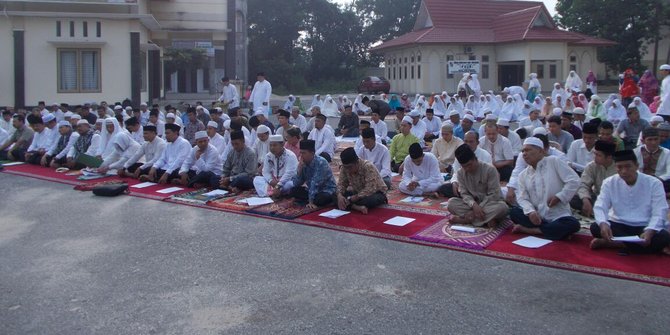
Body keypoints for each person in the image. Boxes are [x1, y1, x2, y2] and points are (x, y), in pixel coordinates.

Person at [591, 149, 670, 254]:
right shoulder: (609, 182)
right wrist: (603, 224)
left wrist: (650, 231)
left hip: (643, 226)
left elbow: (660, 211)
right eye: (620, 167)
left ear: (636, 166)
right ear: (616, 168)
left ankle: (613, 244)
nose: (624, 171)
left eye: (628, 166)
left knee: (663, 237)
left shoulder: (654, 183)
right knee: (596, 227)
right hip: (618, 224)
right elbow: (600, 206)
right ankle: (638, 248)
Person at [510, 137, 581, 240]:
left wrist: (560, 197)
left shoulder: (554, 161)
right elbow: (522, 198)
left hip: (557, 214)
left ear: (540, 151)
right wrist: (530, 212)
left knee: (573, 224)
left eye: (528, 150)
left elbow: (574, 180)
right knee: (514, 212)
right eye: (523, 151)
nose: (524, 154)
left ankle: (532, 231)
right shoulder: (523, 175)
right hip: (537, 216)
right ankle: (551, 231)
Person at [447, 144, 508, 227]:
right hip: (472, 205)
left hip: (490, 203)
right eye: (464, 166)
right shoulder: (460, 173)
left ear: (475, 159)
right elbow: (464, 194)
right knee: (451, 203)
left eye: (469, 165)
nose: (467, 169)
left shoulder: (490, 170)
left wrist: (478, 208)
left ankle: (466, 219)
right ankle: (486, 220)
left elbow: (494, 194)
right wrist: (473, 205)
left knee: (502, 208)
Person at [333, 147, 388, 214]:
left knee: (368, 201)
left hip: (375, 193)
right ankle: (357, 207)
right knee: (334, 195)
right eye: (346, 167)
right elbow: (341, 184)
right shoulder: (344, 168)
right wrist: (339, 196)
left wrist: (355, 197)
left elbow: (370, 188)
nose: (348, 170)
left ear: (356, 163)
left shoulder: (368, 166)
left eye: (349, 167)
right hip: (357, 192)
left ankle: (350, 205)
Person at [570, 140, 617, 216]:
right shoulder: (592, 166)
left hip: (614, 201)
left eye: (598, 155)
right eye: (595, 154)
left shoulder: (619, 168)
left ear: (609, 157)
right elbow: (583, 184)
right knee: (573, 198)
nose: (594, 157)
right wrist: (585, 200)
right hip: (597, 198)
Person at [291, 139, 337, 209]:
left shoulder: (321, 162)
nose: (301, 156)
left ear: (312, 153)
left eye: (304, 153)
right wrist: (299, 171)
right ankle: (310, 199)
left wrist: (311, 201)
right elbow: (297, 183)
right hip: (312, 190)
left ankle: (310, 200)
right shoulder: (303, 163)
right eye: (300, 153)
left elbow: (315, 183)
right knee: (293, 190)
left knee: (320, 199)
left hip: (326, 190)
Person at [633, 127, 670, 192]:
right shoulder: (635, 152)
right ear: (643, 141)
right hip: (639, 181)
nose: (653, 142)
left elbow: (669, 172)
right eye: (650, 140)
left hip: (660, 182)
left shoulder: (667, 153)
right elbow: (633, 169)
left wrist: (658, 179)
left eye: (656, 139)